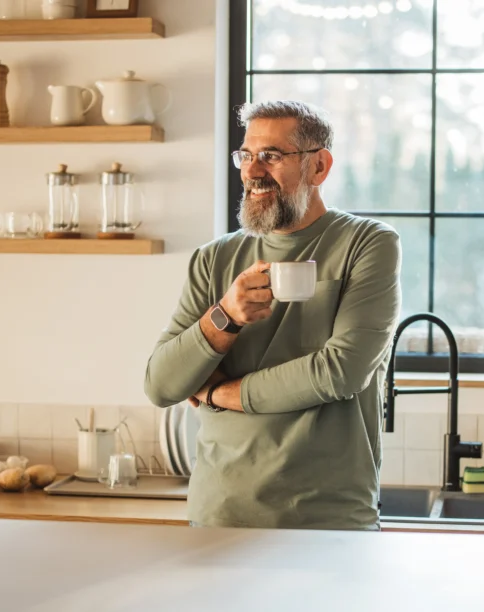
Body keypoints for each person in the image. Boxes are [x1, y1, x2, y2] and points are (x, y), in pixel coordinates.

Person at [143, 100, 401, 531]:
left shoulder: (367, 244)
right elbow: (161, 385)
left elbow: (341, 371)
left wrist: (220, 394)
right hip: (220, 516)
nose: (253, 171)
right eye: (246, 155)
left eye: (272, 156)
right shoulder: (214, 259)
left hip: (330, 520)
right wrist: (225, 316)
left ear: (318, 167)